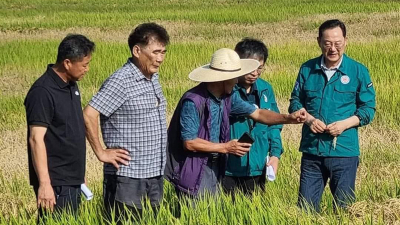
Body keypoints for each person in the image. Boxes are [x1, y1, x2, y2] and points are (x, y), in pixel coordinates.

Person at [165, 48, 306, 199]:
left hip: (215, 165)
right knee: (195, 212)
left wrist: (288, 118)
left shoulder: (228, 97)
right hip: (194, 166)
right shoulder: (193, 101)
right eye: (234, 78)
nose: (236, 82)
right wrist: (225, 147)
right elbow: (190, 142)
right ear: (222, 79)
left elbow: (258, 113)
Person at [83, 23, 169, 221]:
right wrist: (101, 152)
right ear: (137, 50)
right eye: (156, 52)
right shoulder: (121, 80)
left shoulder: (152, 77)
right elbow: (89, 114)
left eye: (163, 52)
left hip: (154, 172)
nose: (160, 58)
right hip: (128, 176)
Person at [289, 19, 376, 212]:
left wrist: (344, 124)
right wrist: (309, 120)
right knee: (305, 211)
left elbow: (368, 109)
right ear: (319, 41)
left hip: (344, 153)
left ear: (345, 41)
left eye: (337, 43)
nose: (333, 49)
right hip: (312, 152)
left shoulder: (358, 71)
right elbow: (295, 102)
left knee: (345, 211)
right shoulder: (307, 69)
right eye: (327, 43)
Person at [24, 34, 95, 221]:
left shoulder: (71, 85)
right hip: (56, 182)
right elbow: (35, 139)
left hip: (71, 179)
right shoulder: (42, 92)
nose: (87, 69)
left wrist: (79, 175)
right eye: (84, 64)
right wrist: (45, 184)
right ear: (67, 63)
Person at [222, 38, 283, 196]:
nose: (255, 74)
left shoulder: (265, 89)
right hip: (228, 167)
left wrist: (275, 155)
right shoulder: (226, 89)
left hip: (257, 165)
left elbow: (274, 125)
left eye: (260, 68)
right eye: (250, 69)